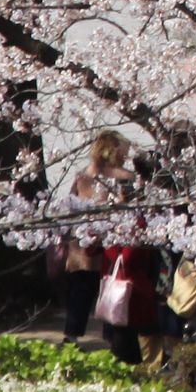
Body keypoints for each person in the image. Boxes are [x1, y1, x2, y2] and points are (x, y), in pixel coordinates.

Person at [58, 131, 133, 342]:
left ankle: (71, 336)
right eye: (124, 150)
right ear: (114, 150)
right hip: (108, 242)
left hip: (81, 241)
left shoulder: (83, 175)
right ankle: (111, 334)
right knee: (112, 288)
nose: (127, 155)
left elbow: (70, 204)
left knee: (80, 291)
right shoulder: (124, 177)